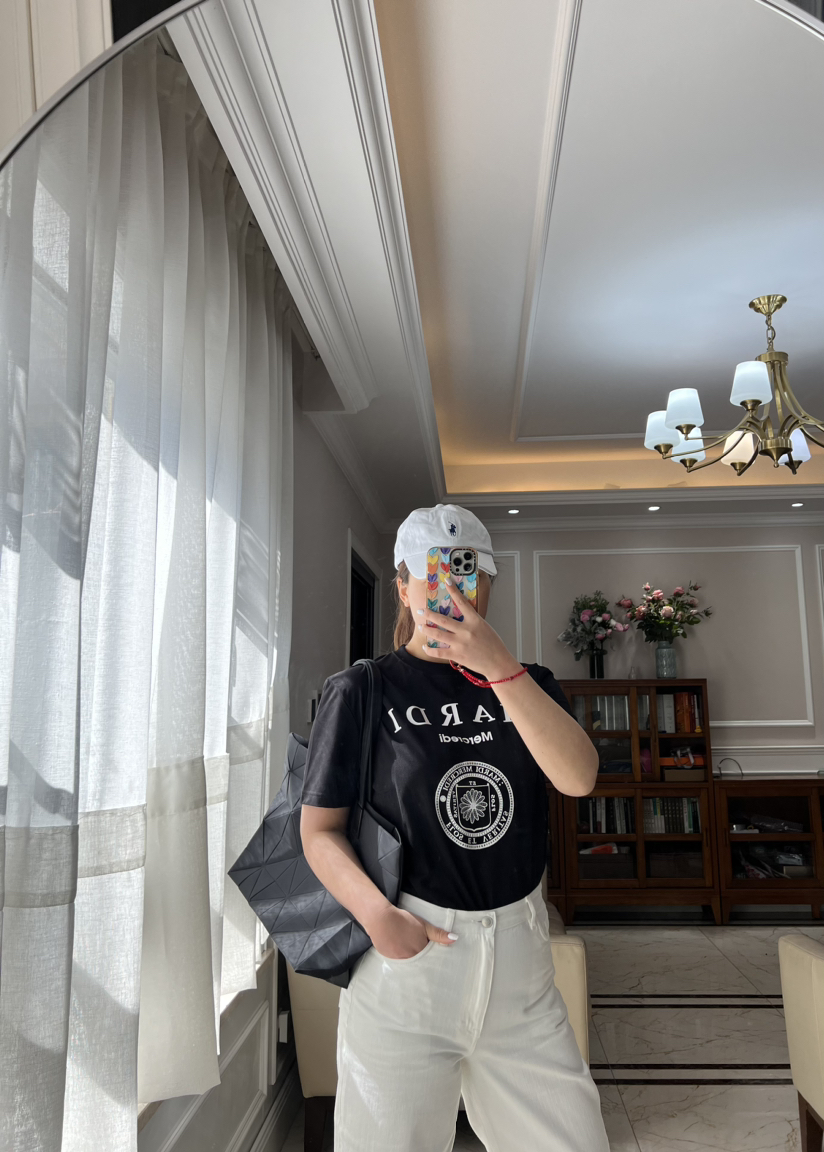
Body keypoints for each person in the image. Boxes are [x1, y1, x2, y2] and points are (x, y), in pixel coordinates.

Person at [300, 503, 609, 1152]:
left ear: (489, 581)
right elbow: (319, 830)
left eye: (471, 575)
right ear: (404, 585)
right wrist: (378, 918)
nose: (455, 592)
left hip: (520, 963)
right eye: (434, 575)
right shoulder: (361, 690)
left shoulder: (530, 684)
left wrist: (501, 669)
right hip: (406, 962)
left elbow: (579, 778)